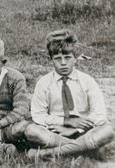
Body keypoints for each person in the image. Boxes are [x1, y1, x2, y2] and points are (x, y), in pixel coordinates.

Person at [25, 30, 114, 159]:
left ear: (75, 58)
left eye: (67, 58)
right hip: (55, 133)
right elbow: (38, 115)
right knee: (31, 131)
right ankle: (85, 150)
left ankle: (49, 153)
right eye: (57, 59)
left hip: (83, 132)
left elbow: (99, 114)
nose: (63, 63)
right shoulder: (43, 83)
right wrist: (65, 122)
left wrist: (75, 129)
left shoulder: (87, 81)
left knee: (107, 131)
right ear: (50, 59)